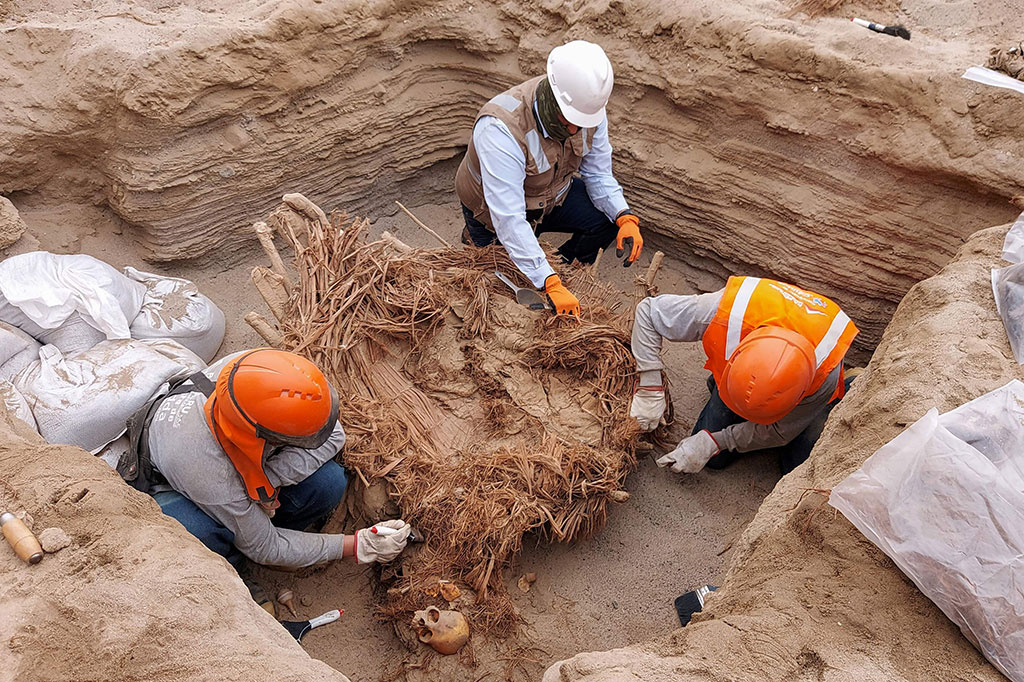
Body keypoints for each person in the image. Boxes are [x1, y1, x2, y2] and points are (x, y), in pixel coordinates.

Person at [126, 348, 411, 570]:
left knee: (329, 483)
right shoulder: (205, 469)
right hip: (175, 485)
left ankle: (287, 540)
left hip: (230, 457)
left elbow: (334, 435)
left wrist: (267, 481)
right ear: (262, 438)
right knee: (199, 534)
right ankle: (235, 574)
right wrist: (358, 546)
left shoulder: (260, 371)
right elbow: (265, 547)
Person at [455, 40, 644, 317]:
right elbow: (508, 217)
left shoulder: (586, 111)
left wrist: (623, 215)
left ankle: (563, 267)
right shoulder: (501, 129)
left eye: (581, 122)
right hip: (492, 213)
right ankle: (479, 239)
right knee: (505, 288)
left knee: (606, 221)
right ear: (551, 97)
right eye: (567, 120)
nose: (574, 129)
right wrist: (546, 280)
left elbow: (598, 174)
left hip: (552, 196)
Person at [630, 276, 859, 475]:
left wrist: (717, 441)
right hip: (756, 339)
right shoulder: (720, 311)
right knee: (715, 461)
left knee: (795, 466)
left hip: (813, 391)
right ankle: (729, 392)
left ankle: (852, 386)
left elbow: (780, 432)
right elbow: (648, 312)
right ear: (736, 355)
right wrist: (650, 386)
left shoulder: (823, 374)